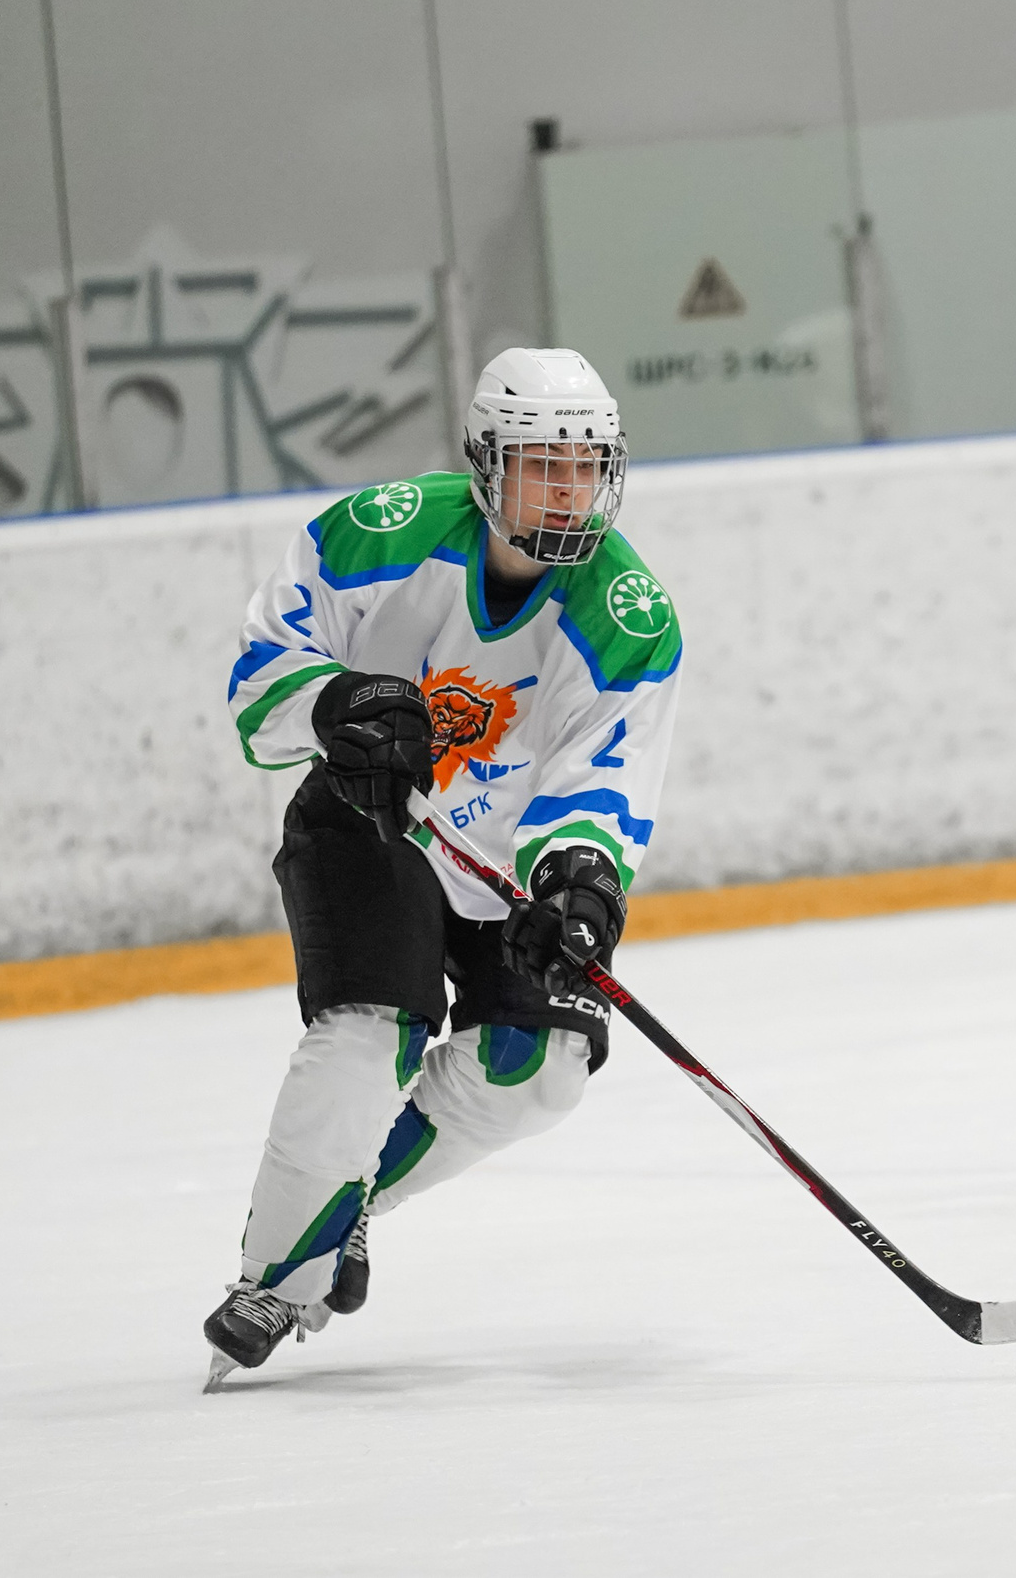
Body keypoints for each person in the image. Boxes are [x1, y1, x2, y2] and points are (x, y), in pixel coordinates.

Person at [204, 347, 681, 1380]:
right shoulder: (379, 532)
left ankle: (347, 1202)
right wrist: (332, 703)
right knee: (373, 1032)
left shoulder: (627, 616)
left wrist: (580, 886)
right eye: (540, 464)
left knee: (539, 1072)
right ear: (483, 465)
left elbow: (601, 779)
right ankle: (275, 1285)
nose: (567, 488)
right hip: (371, 822)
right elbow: (259, 682)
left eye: (585, 465)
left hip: (501, 858)